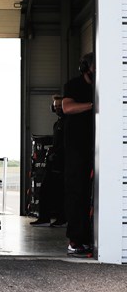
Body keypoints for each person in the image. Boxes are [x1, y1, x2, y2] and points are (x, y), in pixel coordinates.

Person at [62, 52, 95, 257]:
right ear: (85, 68)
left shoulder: (101, 85)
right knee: (78, 193)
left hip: (98, 147)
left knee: (94, 194)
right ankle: (75, 241)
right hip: (77, 148)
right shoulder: (73, 85)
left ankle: (91, 238)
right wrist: (93, 106)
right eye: (93, 67)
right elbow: (67, 107)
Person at [30, 95, 66, 227]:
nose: (57, 109)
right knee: (46, 190)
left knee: (59, 192)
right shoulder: (57, 124)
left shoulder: (68, 123)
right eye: (55, 106)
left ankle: (61, 219)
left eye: (59, 106)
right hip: (54, 162)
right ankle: (45, 218)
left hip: (62, 164)